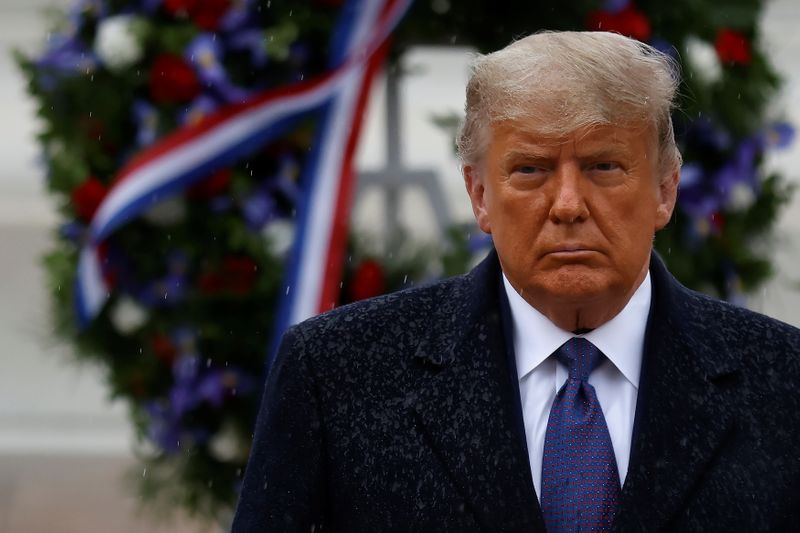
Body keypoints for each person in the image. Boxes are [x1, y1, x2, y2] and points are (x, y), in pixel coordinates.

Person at [232, 31, 800, 532]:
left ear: (665, 191)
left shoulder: (782, 382)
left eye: (604, 166)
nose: (569, 205)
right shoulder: (337, 374)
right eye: (531, 170)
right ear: (479, 194)